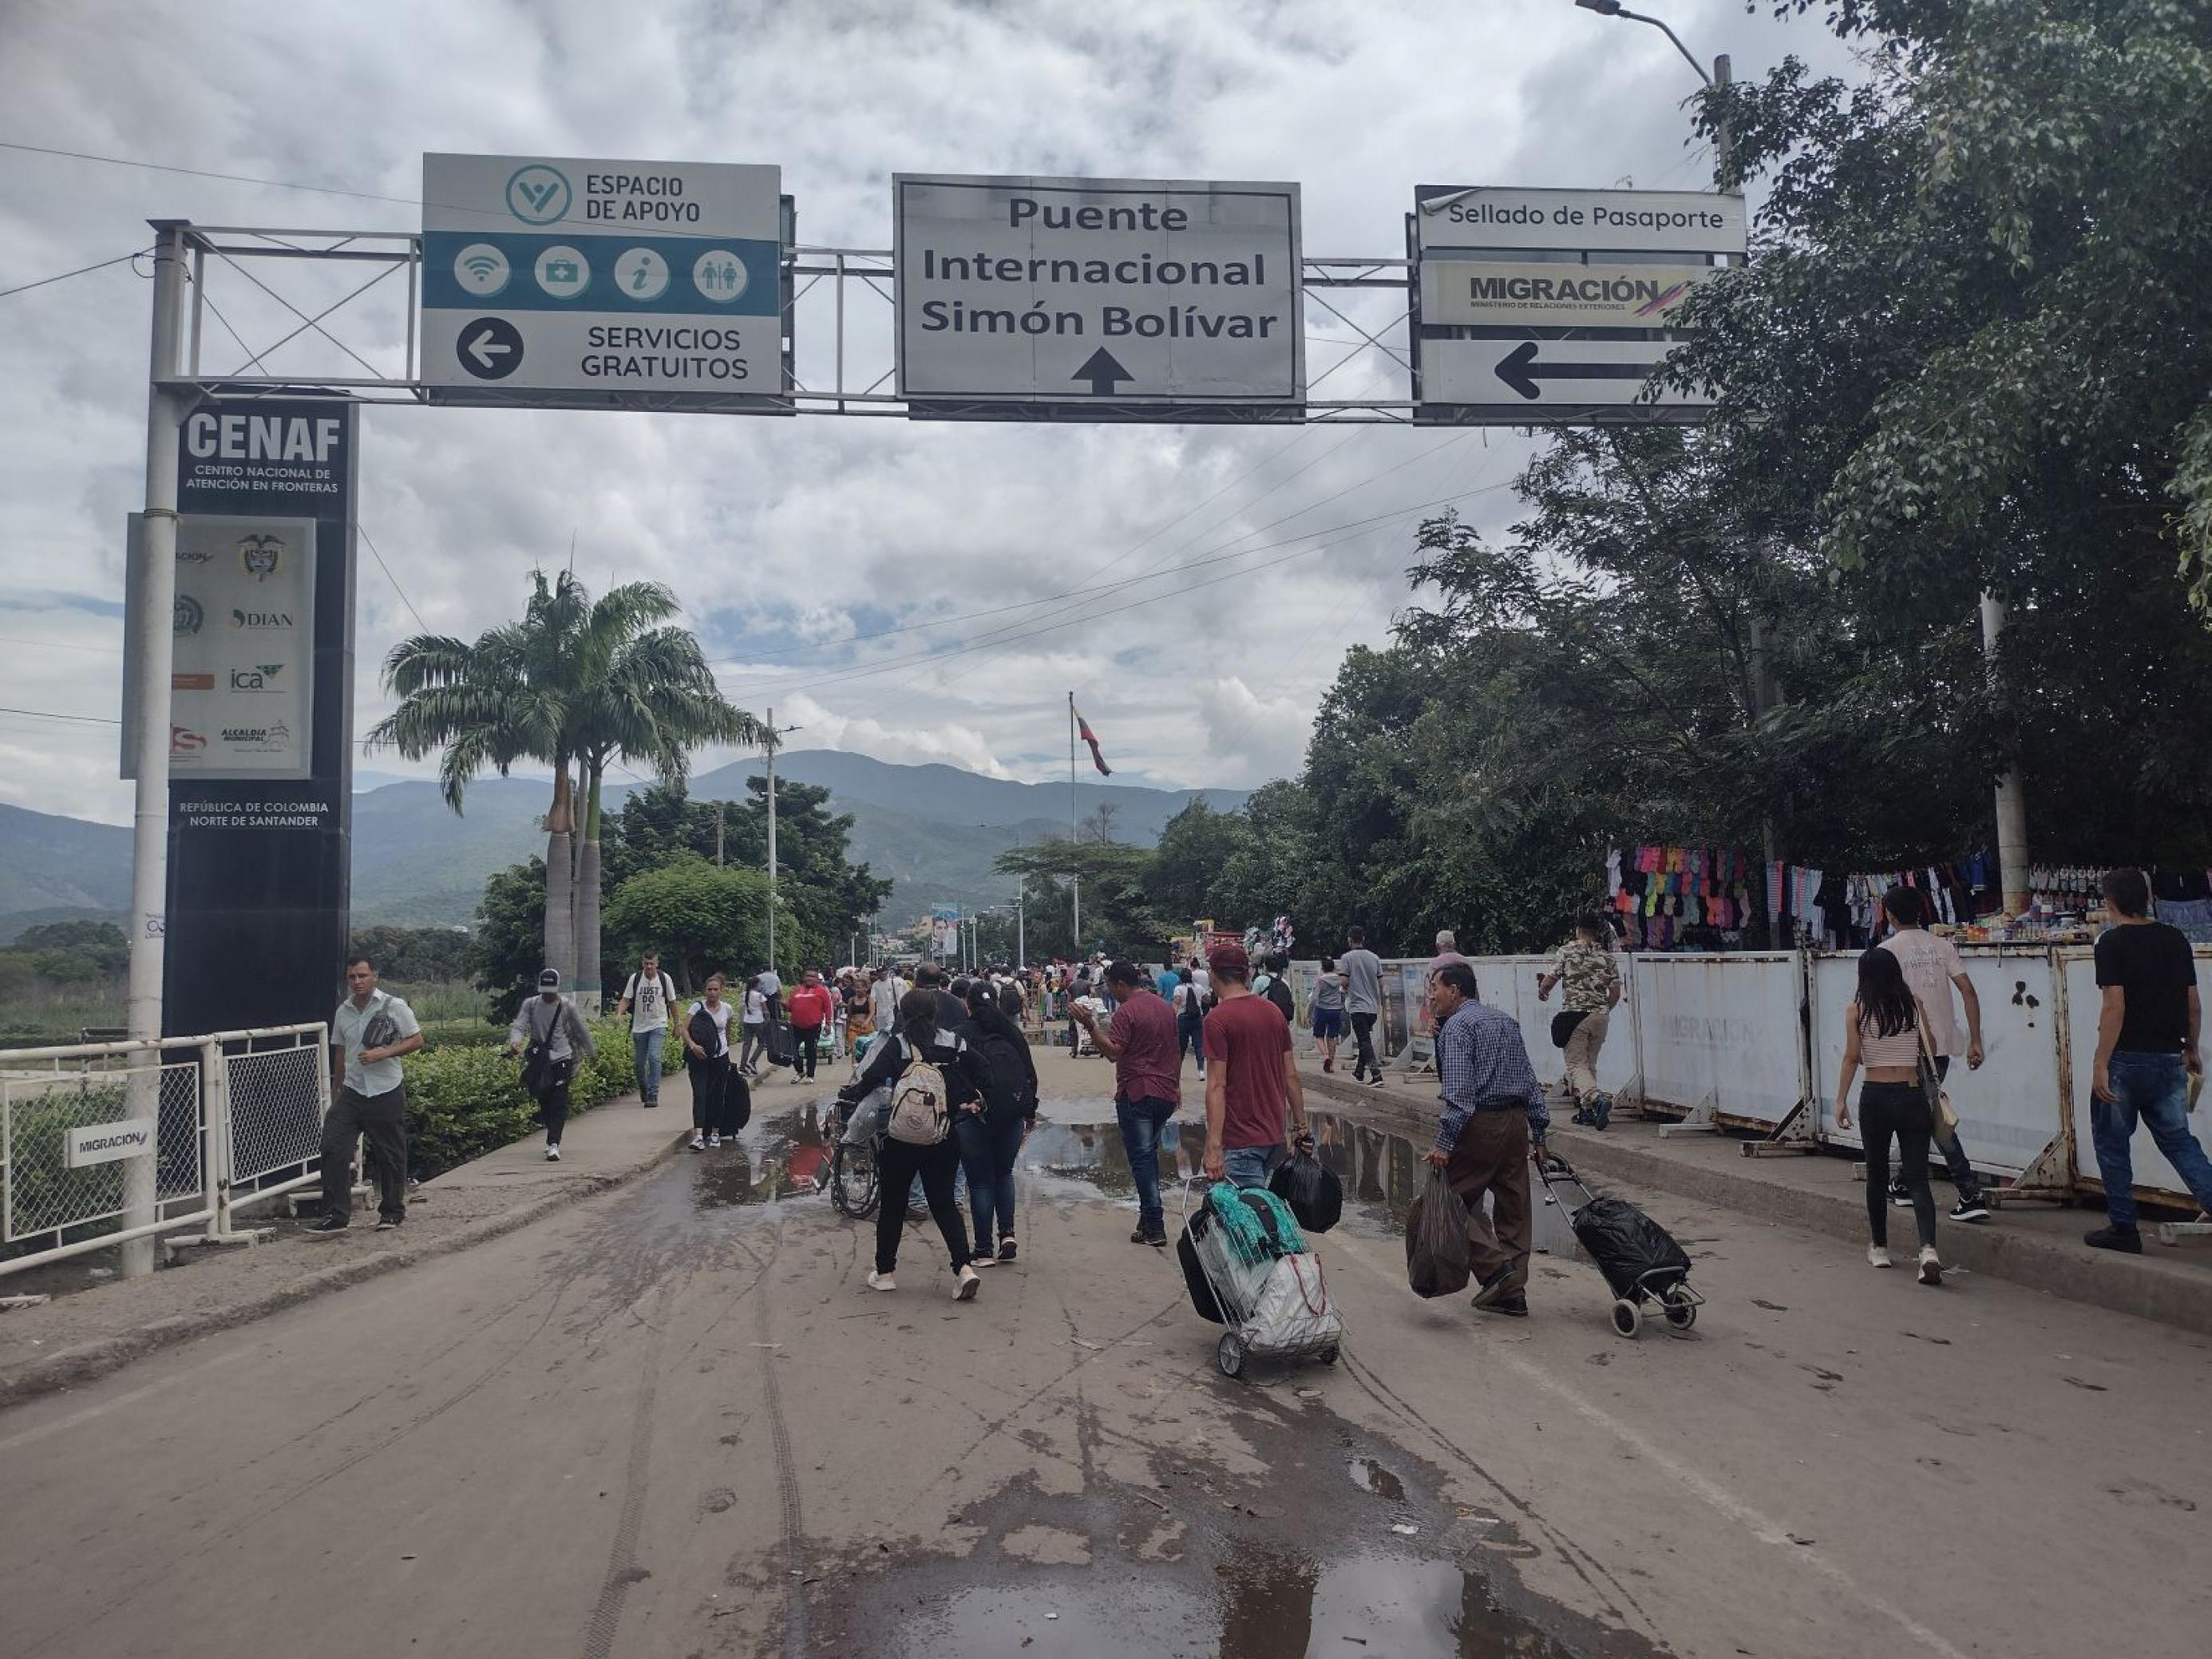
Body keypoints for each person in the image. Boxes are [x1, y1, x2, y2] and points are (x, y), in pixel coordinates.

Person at [2085, 867, 2212, 1253]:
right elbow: (2193, 1003)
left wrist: (2100, 1062)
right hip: (2168, 1057)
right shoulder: (2175, 940)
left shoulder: (2110, 944)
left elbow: (2114, 1006)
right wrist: (2191, 1048)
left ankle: (2124, 1228)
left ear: (2109, 903)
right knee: (2179, 1141)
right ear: (2148, 898)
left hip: (2125, 1060)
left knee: (2112, 1144)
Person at [840, 988, 987, 1299]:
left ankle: (885, 1273)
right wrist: (965, 1098)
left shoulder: (899, 1044)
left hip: (901, 1137)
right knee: (945, 1204)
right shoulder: (954, 1042)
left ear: (903, 1015)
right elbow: (982, 1069)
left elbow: (872, 1078)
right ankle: (964, 1269)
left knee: (893, 1205)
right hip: (942, 1134)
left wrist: (851, 1094)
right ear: (936, 1013)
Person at [1423, 962, 1546, 1317]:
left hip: (1480, 1125)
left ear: (1455, 991)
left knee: (1448, 1203)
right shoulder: (1505, 1021)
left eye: (1436, 988)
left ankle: (1496, 1271)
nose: (1432, 996)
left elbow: (1459, 1095)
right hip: (1515, 1125)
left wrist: (1444, 1144)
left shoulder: (1458, 1027)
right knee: (1514, 1208)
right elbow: (1529, 1080)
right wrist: (1538, 1132)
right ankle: (1513, 1292)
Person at [1877, 889, 1991, 1221]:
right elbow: (1968, 991)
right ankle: (1903, 1182)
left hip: (1905, 1046)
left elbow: (1881, 1004)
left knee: (1934, 1117)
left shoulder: (1886, 952)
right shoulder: (1942, 946)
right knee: (1922, 1113)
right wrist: (1975, 1040)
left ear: (1890, 915)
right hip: (1940, 1045)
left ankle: (1970, 1192)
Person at [1833, 948, 1944, 1284]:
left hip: (1875, 1097)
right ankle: (1927, 1250)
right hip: (1911, 1096)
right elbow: (1933, 1048)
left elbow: (1853, 1057)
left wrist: (1840, 1100)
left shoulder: (1857, 1011)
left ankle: (1880, 1248)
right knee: (1918, 1178)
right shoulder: (1913, 1006)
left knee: (1877, 1175)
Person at [1076, 959, 1181, 1246]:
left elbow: (1113, 1053)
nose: (1110, 991)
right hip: (1165, 1092)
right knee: (1149, 1154)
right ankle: (1147, 1220)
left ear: (1121, 984)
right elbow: (1176, 1050)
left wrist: (1090, 1026)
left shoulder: (1127, 1012)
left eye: (1110, 986)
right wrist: (1177, 1086)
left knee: (1143, 1159)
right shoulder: (1164, 1007)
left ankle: (1155, 1225)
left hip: (1138, 1092)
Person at [314, 955, 423, 1233]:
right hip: (352, 1091)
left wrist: (384, 1052)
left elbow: (416, 1040)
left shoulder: (394, 1006)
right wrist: (336, 1091)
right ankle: (336, 1215)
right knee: (333, 1147)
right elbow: (340, 1051)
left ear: (375, 976)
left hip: (385, 1090)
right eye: (352, 977)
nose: (357, 982)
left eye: (363, 976)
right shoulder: (343, 1011)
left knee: (390, 1154)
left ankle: (392, 1212)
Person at [1200, 942, 1310, 1189]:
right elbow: (1290, 1076)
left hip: (1240, 1143)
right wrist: (1302, 1128)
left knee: (1244, 1223)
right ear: (1247, 974)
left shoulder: (1217, 1019)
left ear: (1213, 974)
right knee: (1265, 1214)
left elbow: (1217, 1085)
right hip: (1273, 1139)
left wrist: (1214, 1146)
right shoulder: (1273, 1013)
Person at [963, 978, 1040, 1264]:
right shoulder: (1012, 1033)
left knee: (980, 1181)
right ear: (995, 1002)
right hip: (1011, 1115)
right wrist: (1030, 1111)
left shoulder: (960, 1035)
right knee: (1003, 1173)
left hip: (973, 1115)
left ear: (967, 1005)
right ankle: (1007, 1234)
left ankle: (983, 1249)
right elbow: (1030, 1074)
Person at [1537, 914, 1622, 1130]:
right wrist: (1603, 1010)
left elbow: (1551, 978)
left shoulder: (1566, 951)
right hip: (1600, 1017)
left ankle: (1597, 1098)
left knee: (1576, 1064)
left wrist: (1543, 991)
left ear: (1578, 930)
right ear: (1596, 931)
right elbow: (1615, 991)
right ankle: (1587, 1111)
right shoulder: (1607, 957)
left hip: (1576, 1016)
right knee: (1589, 1064)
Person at [508, 968, 597, 1162]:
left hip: (562, 1058)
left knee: (559, 1099)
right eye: (544, 991)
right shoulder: (531, 1005)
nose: (547, 995)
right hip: (540, 1059)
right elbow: (519, 1026)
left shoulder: (567, 1007)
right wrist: (515, 1042)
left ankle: (553, 1143)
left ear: (557, 988)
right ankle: (552, 1136)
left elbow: (581, 1031)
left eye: (550, 990)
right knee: (544, 1100)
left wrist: (591, 1051)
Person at [612, 951, 678, 1110]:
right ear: (642, 964)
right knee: (639, 1064)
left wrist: (678, 1024)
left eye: (652, 964)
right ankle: (644, 1088)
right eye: (646, 963)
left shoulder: (665, 979)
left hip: (659, 1023)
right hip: (639, 1026)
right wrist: (619, 1014)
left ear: (657, 964)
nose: (649, 967)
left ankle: (653, 1094)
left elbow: (672, 1003)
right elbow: (626, 999)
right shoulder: (635, 979)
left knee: (654, 1058)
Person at [683, 973, 735, 1150]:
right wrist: (693, 1046)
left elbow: (727, 1032)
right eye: (709, 989)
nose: (712, 993)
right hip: (699, 1058)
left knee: (717, 1097)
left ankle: (715, 1133)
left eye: (716, 989)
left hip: (720, 1058)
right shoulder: (696, 1007)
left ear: (721, 991)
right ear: (705, 991)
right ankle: (698, 1136)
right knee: (700, 1095)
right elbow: (684, 1030)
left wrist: (728, 1055)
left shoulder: (727, 1009)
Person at [1341, 928, 1385, 1087]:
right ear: (1363, 938)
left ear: (1349, 940)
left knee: (1364, 1040)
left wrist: (1346, 988)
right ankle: (1359, 1073)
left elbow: (1344, 982)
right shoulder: (1374, 958)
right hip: (1373, 1007)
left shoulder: (1347, 958)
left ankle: (1376, 1074)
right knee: (1364, 1039)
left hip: (1357, 1006)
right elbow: (1381, 983)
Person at [788, 969, 836, 1083]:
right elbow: (789, 1007)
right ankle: (799, 1071)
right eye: (807, 976)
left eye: (812, 977)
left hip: (813, 1026)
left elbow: (828, 1008)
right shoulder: (796, 990)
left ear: (817, 979)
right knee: (792, 1050)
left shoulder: (822, 991)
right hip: (796, 1026)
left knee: (811, 1050)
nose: (810, 978)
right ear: (803, 978)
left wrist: (828, 1024)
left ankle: (810, 1075)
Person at [1312, 955, 1347, 1074]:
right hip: (1336, 1010)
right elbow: (1343, 993)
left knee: (1319, 1035)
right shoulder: (1339, 980)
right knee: (1332, 1037)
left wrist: (1309, 1012)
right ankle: (1331, 1065)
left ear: (1323, 968)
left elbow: (1314, 998)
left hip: (1322, 1009)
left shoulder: (1321, 981)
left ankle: (1325, 1056)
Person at [738, 972, 770, 1077]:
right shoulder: (760, 996)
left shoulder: (744, 994)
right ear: (756, 985)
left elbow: (742, 1008)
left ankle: (742, 1066)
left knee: (747, 1044)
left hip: (747, 1021)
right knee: (762, 1043)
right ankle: (752, 1062)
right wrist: (768, 1021)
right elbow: (765, 1010)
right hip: (758, 1021)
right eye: (760, 984)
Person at [1253, 951, 1296, 1024]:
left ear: (1265, 967)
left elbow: (1253, 999)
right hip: (1281, 1020)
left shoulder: (1260, 980)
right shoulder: (1285, 982)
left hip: (1264, 1018)